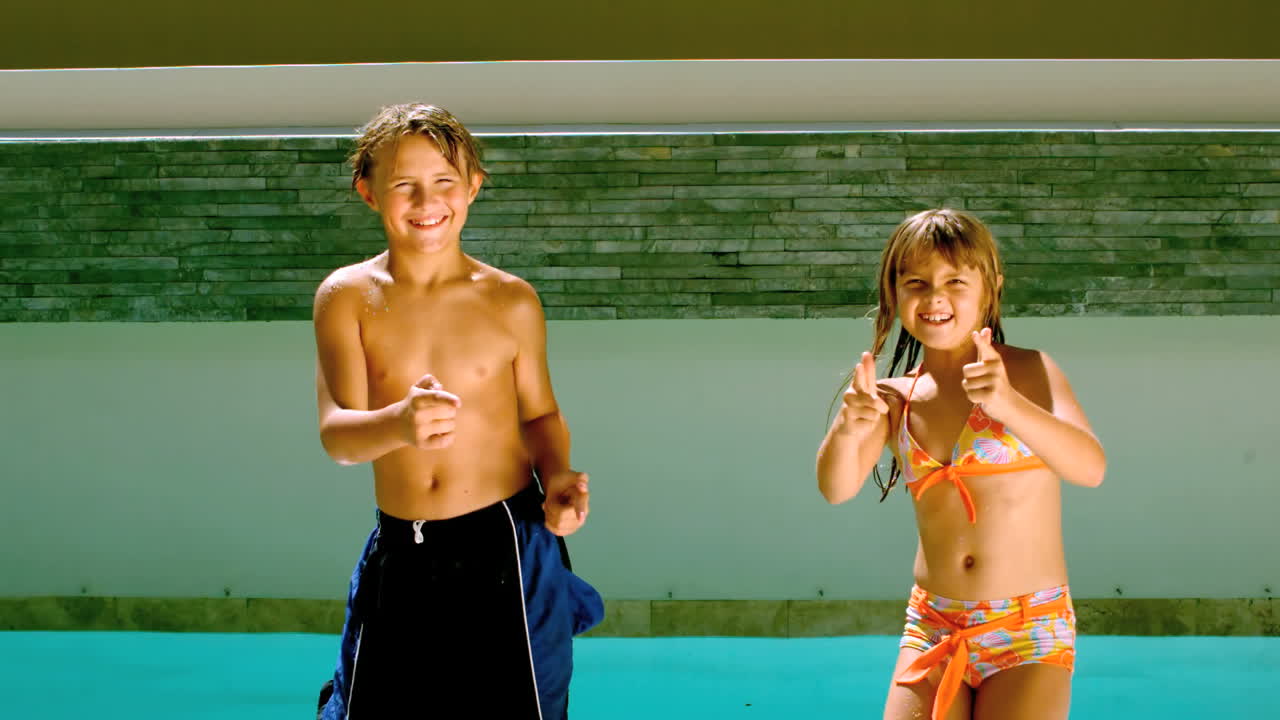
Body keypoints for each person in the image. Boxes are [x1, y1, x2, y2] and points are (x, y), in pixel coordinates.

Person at [312, 103, 603, 720]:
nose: (427, 200)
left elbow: (540, 416)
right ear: (368, 192)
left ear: (473, 186)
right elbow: (338, 436)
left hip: (505, 546)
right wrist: (397, 424)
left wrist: (556, 479)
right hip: (402, 550)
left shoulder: (510, 300)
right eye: (404, 185)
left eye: (445, 181)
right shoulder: (346, 298)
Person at [816, 209, 1105, 720]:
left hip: (1028, 626)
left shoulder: (1031, 371)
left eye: (955, 281)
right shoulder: (894, 397)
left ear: (990, 287)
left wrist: (1009, 405)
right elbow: (836, 488)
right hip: (933, 622)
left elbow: (1090, 468)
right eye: (916, 283)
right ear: (893, 293)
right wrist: (849, 425)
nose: (935, 298)